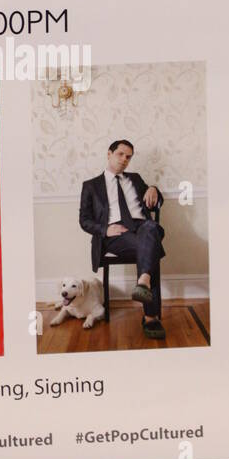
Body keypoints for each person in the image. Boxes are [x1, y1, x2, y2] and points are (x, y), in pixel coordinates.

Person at [79, 139, 166, 340]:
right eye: (120, 154)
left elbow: (155, 201)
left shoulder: (135, 179)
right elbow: (84, 220)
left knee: (150, 228)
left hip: (143, 228)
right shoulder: (91, 186)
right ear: (109, 154)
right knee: (150, 248)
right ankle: (150, 317)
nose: (124, 160)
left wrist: (153, 188)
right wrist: (105, 229)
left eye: (128, 157)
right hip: (116, 235)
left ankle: (143, 281)